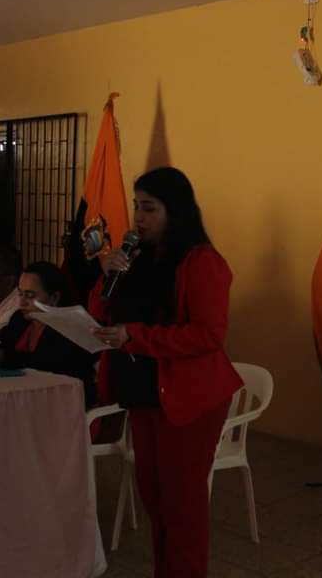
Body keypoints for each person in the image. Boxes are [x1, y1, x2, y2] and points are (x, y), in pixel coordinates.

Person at [90, 167, 243, 578]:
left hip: (187, 398)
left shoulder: (202, 262)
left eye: (149, 208)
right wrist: (108, 276)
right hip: (144, 392)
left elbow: (208, 335)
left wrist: (135, 336)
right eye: (136, 207)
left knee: (182, 508)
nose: (138, 218)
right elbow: (101, 312)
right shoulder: (137, 257)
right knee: (156, 499)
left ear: (175, 211)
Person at [0, 261, 98, 407]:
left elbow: (43, 365)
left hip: (61, 401)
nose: (22, 303)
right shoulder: (20, 318)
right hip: (22, 398)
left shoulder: (70, 328)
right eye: (20, 294)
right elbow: (0, 340)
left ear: (54, 297)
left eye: (30, 296)